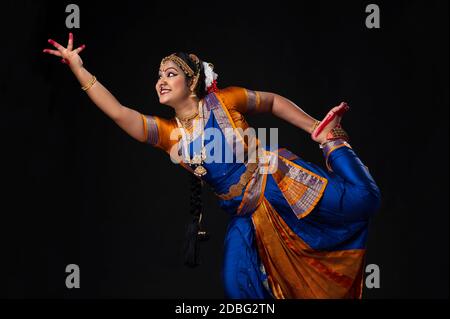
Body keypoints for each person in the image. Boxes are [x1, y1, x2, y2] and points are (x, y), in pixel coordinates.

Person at [43, 33, 381, 299]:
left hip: (279, 182)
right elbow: (118, 112)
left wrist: (315, 129)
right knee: (237, 287)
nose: (160, 81)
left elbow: (273, 101)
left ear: (191, 82)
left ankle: (335, 144)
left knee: (365, 200)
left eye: (170, 74)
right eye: (158, 75)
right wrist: (78, 67)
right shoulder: (170, 135)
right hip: (247, 214)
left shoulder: (224, 100)